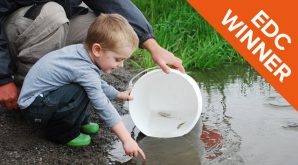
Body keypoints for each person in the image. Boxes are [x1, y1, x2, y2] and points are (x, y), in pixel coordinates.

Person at [0, 0, 185, 110]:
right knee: (53, 15)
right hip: (15, 26)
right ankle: (30, 97)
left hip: (54, 18)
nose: (120, 64)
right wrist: (3, 79)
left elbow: (115, 3)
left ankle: (73, 89)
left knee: (104, 30)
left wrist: (152, 45)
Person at [18, 13, 146, 159]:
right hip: (34, 107)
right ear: (97, 50)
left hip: (44, 98)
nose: (121, 65)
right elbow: (102, 104)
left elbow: (96, 83)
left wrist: (117, 94)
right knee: (80, 90)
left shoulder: (82, 53)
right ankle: (62, 134)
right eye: (118, 59)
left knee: (84, 87)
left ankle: (79, 121)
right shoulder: (83, 68)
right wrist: (127, 139)